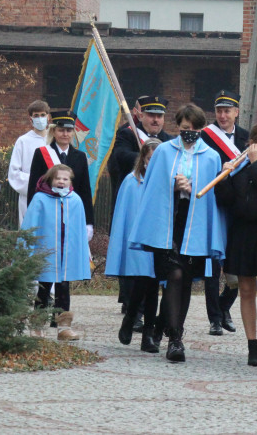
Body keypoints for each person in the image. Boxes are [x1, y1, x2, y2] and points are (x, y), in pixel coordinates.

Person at [129, 104, 225, 363]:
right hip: (168, 223)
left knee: (185, 282)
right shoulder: (163, 152)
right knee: (175, 274)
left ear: (201, 129)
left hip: (194, 225)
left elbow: (214, 195)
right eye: (184, 128)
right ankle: (176, 339)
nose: (189, 132)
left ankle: (165, 327)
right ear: (178, 127)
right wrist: (173, 185)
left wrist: (194, 187)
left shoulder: (211, 156)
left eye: (194, 129)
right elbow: (151, 187)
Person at [214, 122, 257, 366]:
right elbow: (226, 201)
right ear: (252, 144)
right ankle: (252, 344)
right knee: (246, 289)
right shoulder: (239, 168)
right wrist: (224, 177)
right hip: (242, 233)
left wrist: (256, 164)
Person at [107, 95, 172, 323]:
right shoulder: (127, 134)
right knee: (133, 255)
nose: (155, 120)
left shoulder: (168, 140)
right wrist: (149, 157)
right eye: (151, 115)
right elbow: (121, 157)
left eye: (159, 116)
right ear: (140, 115)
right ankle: (130, 303)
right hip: (135, 199)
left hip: (158, 209)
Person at [26, 108, 94, 317]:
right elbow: (34, 188)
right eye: (61, 130)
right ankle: (39, 317)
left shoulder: (80, 156)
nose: (65, 134)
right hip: (48, 221)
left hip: (71, 220)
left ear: (73, 132)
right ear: (54, 131)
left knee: (65, 275)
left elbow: (84, 190)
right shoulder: (42, 153)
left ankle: (61, 320)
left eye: (69, 130)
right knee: (46, 271)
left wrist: (88, 222)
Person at [20, 163, 90, 341]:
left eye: (65, 179)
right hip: (47, 252)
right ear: (51, 179)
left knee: (64, 290)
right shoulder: (40, 199)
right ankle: (37, 326)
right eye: (58, 178)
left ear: (70, 181)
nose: (61, 181)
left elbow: (79, 230)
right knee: (43, 290)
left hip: (66, 255)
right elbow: (31, 225)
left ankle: (64, 327)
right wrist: (27, 249)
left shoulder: (75, 200)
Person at [105, 138, 162, 353]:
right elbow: (124, 215)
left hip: (158, 240)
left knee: (154, 286)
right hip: (139, 240)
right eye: (149, 159)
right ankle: (130, 317)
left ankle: (148, 334)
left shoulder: (167, 180)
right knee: (141, 282)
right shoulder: (131, 181)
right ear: (143, 159)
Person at [199, 89, 246, 336]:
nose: (223, 115)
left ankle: (224, 305)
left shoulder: (247, 139)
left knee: (236, 264)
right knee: (213, 266)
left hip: (238, 209)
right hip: (213, 207)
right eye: (219, 111)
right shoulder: (205, 138)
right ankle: (215, 318)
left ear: (236, 112)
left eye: (227, 110)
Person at [7, 100, 50, 224]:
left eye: (42, 115)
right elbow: (14, 173)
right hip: (30, 196)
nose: (40, 118)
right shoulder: (23, 141)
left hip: (53, 196)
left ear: (48, 117)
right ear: (31, 119)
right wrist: (38, 183)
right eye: (36, 116)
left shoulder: (54, 140)